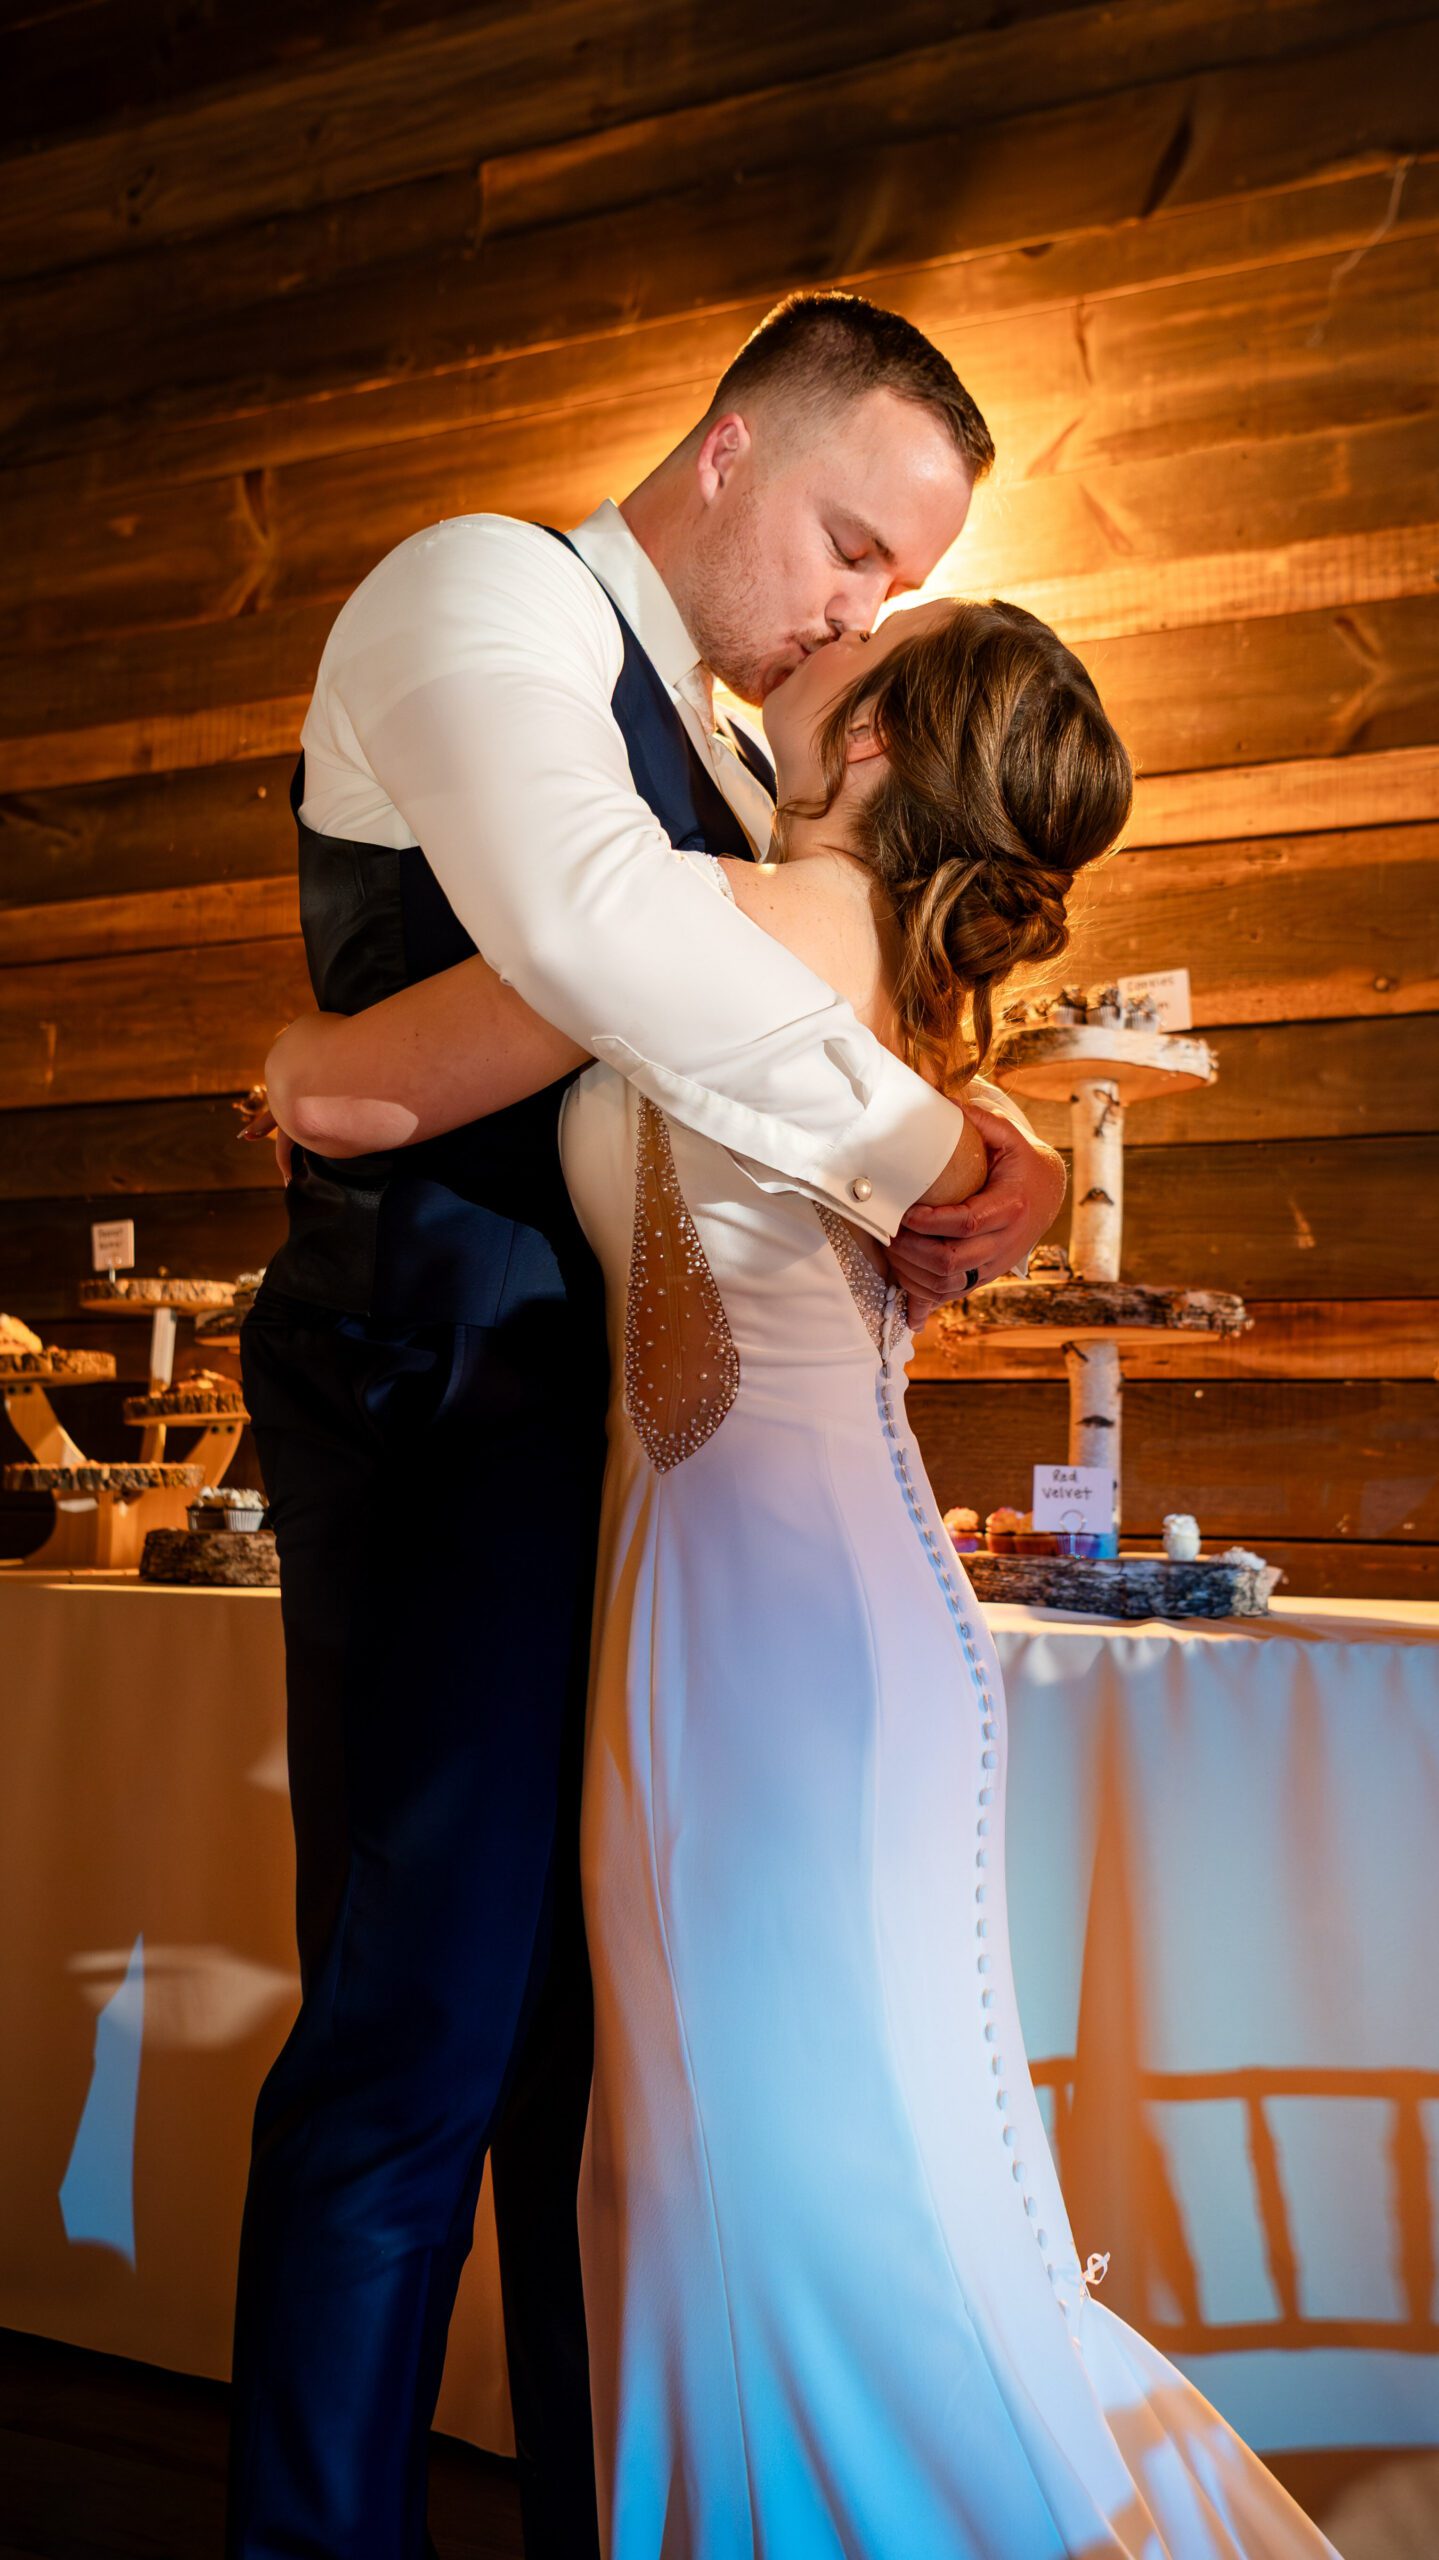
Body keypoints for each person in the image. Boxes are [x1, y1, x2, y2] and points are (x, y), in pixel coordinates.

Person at [266, 594, 1342, 2558]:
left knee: (786, 2157)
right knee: (781, 2148)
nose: (832, 625)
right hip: (785, 1608)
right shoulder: (912, 1030)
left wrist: (278, 1036)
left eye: (874, 627)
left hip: (766, 1634)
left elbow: (333, 1084)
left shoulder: (707, 926)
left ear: (860, 753)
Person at [227, 291, 1068, 2560]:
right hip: (433, 1393)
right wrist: (932, 1145)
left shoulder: (729, 761)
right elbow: (599, 937)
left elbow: (705, 1002)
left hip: (621, 1469)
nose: (858, 604)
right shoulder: (480, 589)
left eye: (897, 583)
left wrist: (938, 1131)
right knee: (418, 2038)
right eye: (849, 537)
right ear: (724, 448)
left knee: (592, 2077)